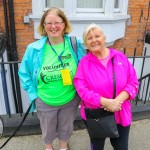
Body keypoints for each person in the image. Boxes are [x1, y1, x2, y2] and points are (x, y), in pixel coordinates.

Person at [18, 7, 86, 150]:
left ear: (64, 24)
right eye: (49, 23)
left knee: (66, 127)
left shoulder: (75, 44)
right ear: (43, 25)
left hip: (70, 98)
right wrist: (34, 95)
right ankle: (48, 147)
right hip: (45, 99)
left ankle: (63, 147)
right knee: (47, 129)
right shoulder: (34, 49)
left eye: (57, 22)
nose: (53, 26)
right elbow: (24, 74)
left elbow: (84, 68)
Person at [74, 23, 139, 150]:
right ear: (86, 43)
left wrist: (116, 102)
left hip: (120, 111)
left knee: (121, 147)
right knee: (97, 147)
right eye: (89, 38)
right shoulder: (84, 63)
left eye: (97, 36)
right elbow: (82, 90)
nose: (94, 40)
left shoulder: (119, 57)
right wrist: (104, 102)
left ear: (104, 38)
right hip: (96, 115)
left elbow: (133, 82)